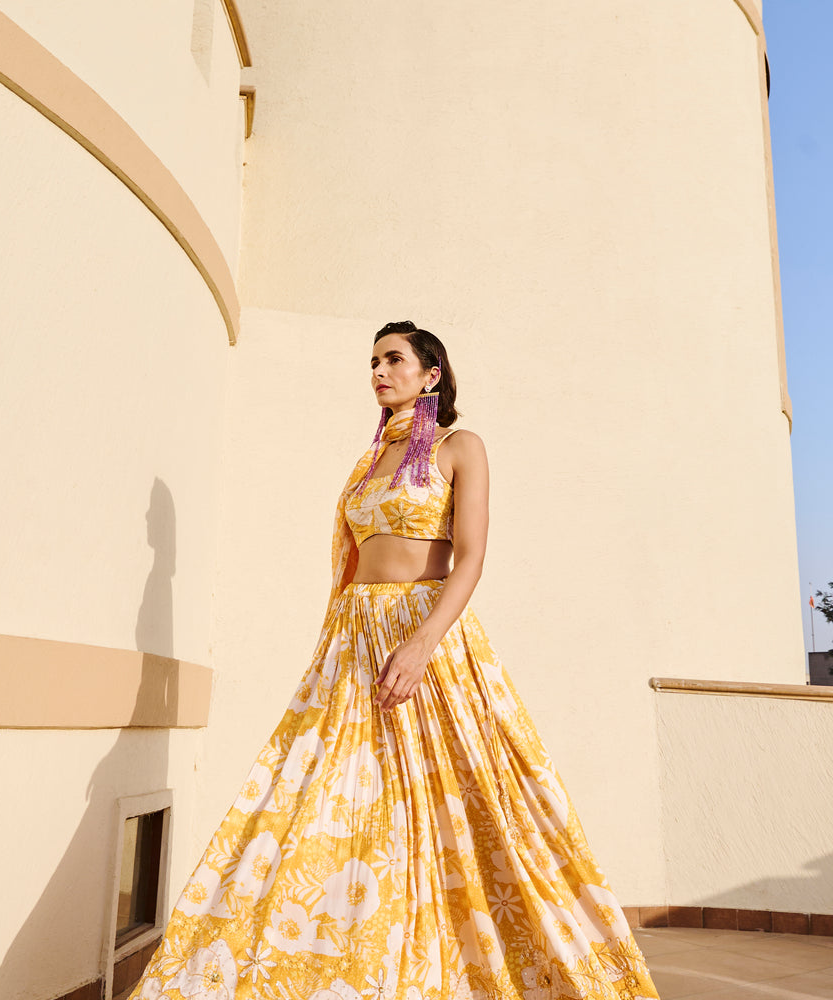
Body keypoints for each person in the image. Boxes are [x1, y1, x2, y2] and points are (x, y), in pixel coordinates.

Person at [129, 321, 659, 1000]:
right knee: (323, 798)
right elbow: (349, 568)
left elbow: (469, 559)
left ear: (431, 375)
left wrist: (423, 641)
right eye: (373, 361)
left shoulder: (458, 447)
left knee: (469, 802)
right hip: (353, 641)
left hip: (426, 635)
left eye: (394, 359)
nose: (378, 370)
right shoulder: (367, 462)